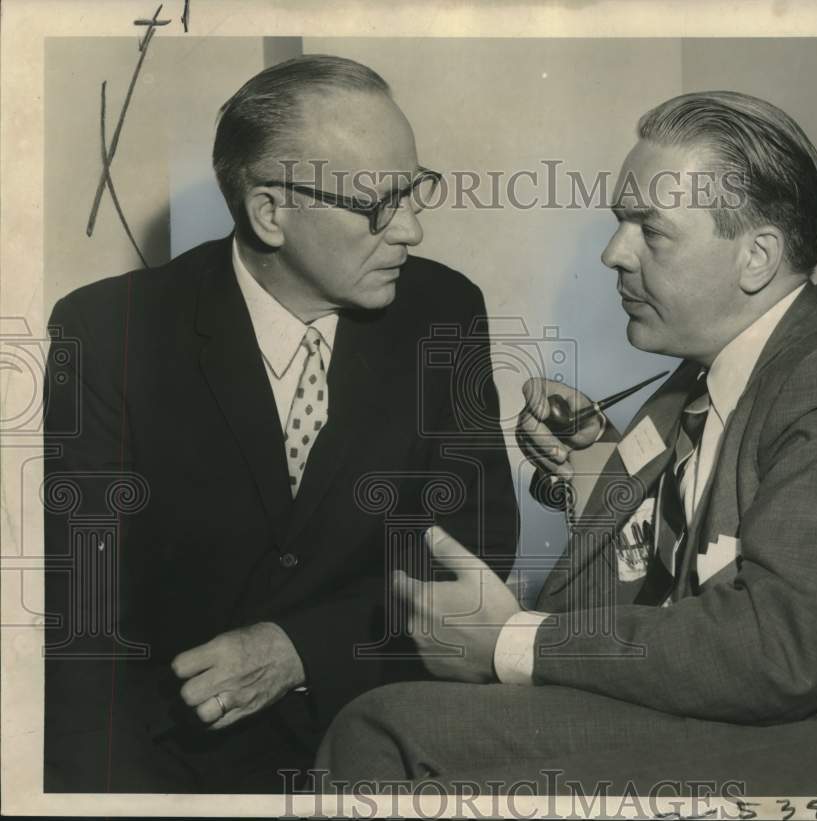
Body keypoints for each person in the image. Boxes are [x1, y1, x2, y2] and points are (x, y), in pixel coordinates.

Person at [317, 91, 817, 798]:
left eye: (650, 231)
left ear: (756, 257)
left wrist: (511, 640)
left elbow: (779, 649)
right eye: (618, 223)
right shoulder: (704, 376)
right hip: (746, 713)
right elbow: (663, 560)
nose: (613, 253)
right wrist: (591, 460)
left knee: (388, 730)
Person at [43, 55, 518, 793]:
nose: (414, 229)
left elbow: (474, 548)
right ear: (270, 211)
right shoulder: (109, 333)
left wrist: (303, 649)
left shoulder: (444, 312)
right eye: (381, 203)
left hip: (384, 745)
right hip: (169, 768)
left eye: (416, 189)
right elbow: (83, 623)